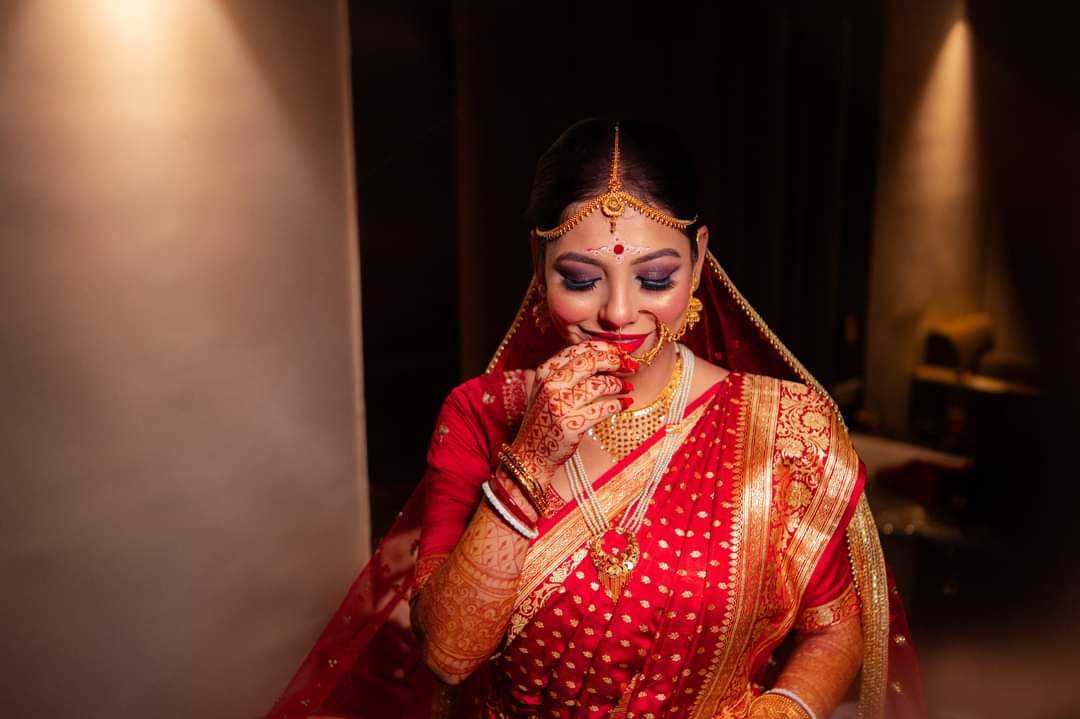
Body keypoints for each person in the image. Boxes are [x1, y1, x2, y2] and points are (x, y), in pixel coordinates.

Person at [265, 119, 925, 719]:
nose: (617, 313)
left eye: (655, 277)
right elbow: (448, 653)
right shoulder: (480, 413)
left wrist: (787, 708)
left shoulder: (784, 427)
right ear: (538, 263)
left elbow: (837, 624)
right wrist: (532, 457)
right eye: (581, 280)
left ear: (698, 260)